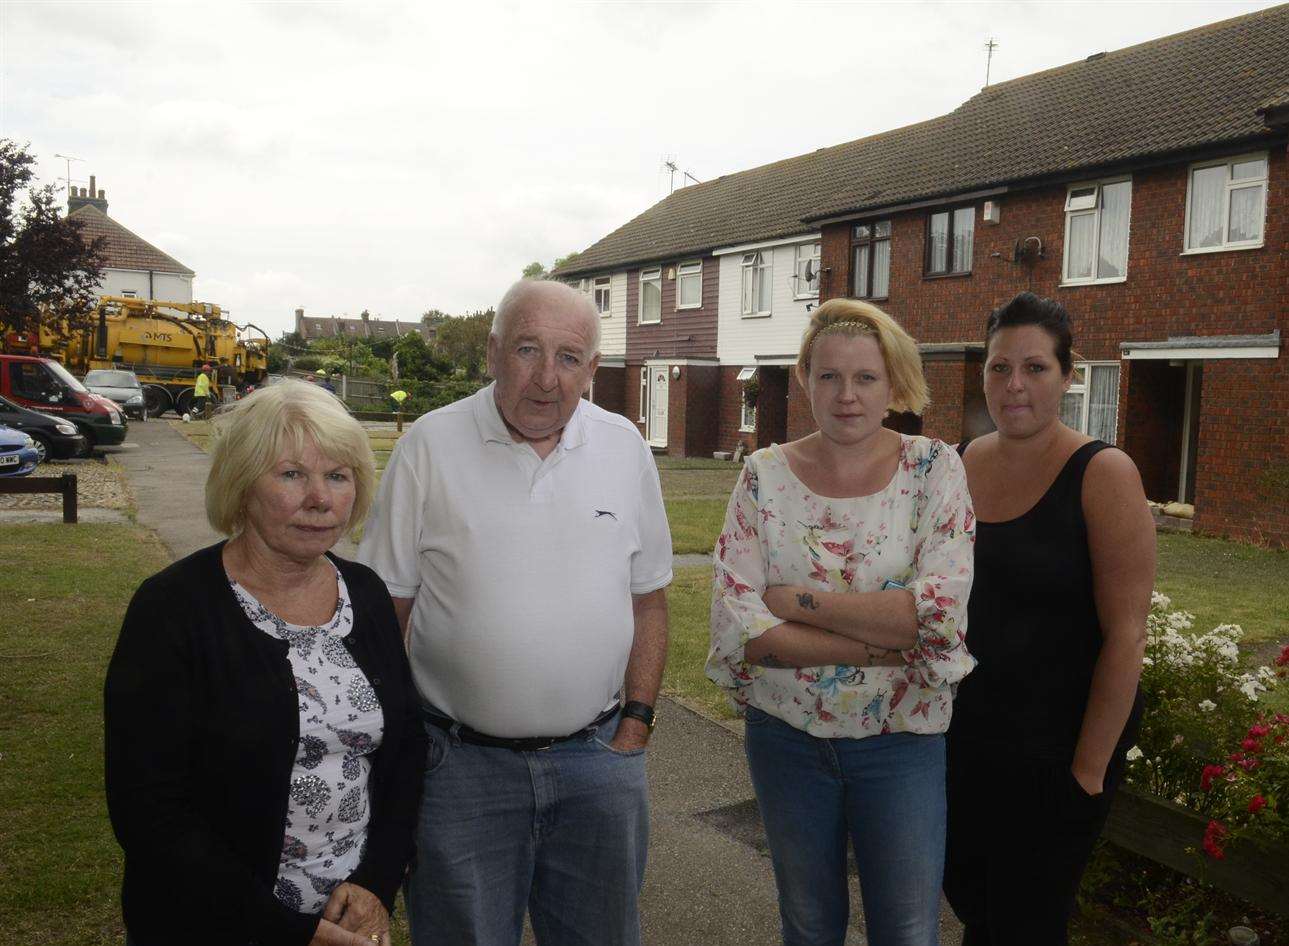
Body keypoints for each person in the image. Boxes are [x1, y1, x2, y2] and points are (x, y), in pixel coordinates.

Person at [357, 279, 673, 946]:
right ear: (494, 352)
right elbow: (388, 608)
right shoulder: (430, 447)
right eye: (528, 350)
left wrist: (637, 722)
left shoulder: (623, 448)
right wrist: (404, 747)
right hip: (460, 771)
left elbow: (648, 599)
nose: (546, 379)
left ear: (592, 369)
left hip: (598, 762)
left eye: (568, 357)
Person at [104, 380, 427, 946]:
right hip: (215, 925)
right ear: (241, 485)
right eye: (291, 474)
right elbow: (149, 809)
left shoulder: (367, 595)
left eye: (337, 475)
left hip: (349, 919)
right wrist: (289, 932)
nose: (320, 499)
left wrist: (375, 885)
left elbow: (404, 752)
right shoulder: (173, 609)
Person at [708, 298, 976, 946]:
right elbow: (740, 629)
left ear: (892, 384)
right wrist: (878, 644)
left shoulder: (933, 469)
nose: (846, 396)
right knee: (807, 925)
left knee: (908, 930)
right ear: (804, 378)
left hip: (902, 744)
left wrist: (796, 600)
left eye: (864, 378)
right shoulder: (762, 477)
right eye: (828, 376)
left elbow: (934, 615)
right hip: (786, 740)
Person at [943, 292, 1154, 945]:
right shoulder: (959, 462)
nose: (1013, 385)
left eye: (1034, 368)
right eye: (998, 367)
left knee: (1025, 924)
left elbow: (1127, 633)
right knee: (974, 903)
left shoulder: (1102, 472)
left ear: (1068, 374)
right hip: (967, 741)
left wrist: (1085, 775)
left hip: (1057, 752)